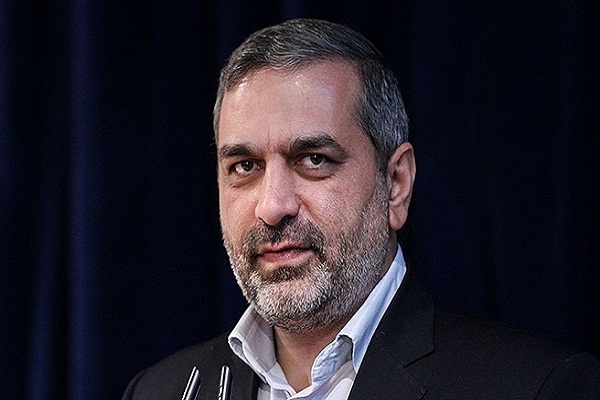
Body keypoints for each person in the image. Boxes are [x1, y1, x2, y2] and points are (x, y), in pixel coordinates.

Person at [122, 18, 600, 399]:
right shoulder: (159, 391)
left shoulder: (532, 388)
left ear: (396, 185)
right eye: (245, 166)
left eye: (314, 159)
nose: (272, 206)